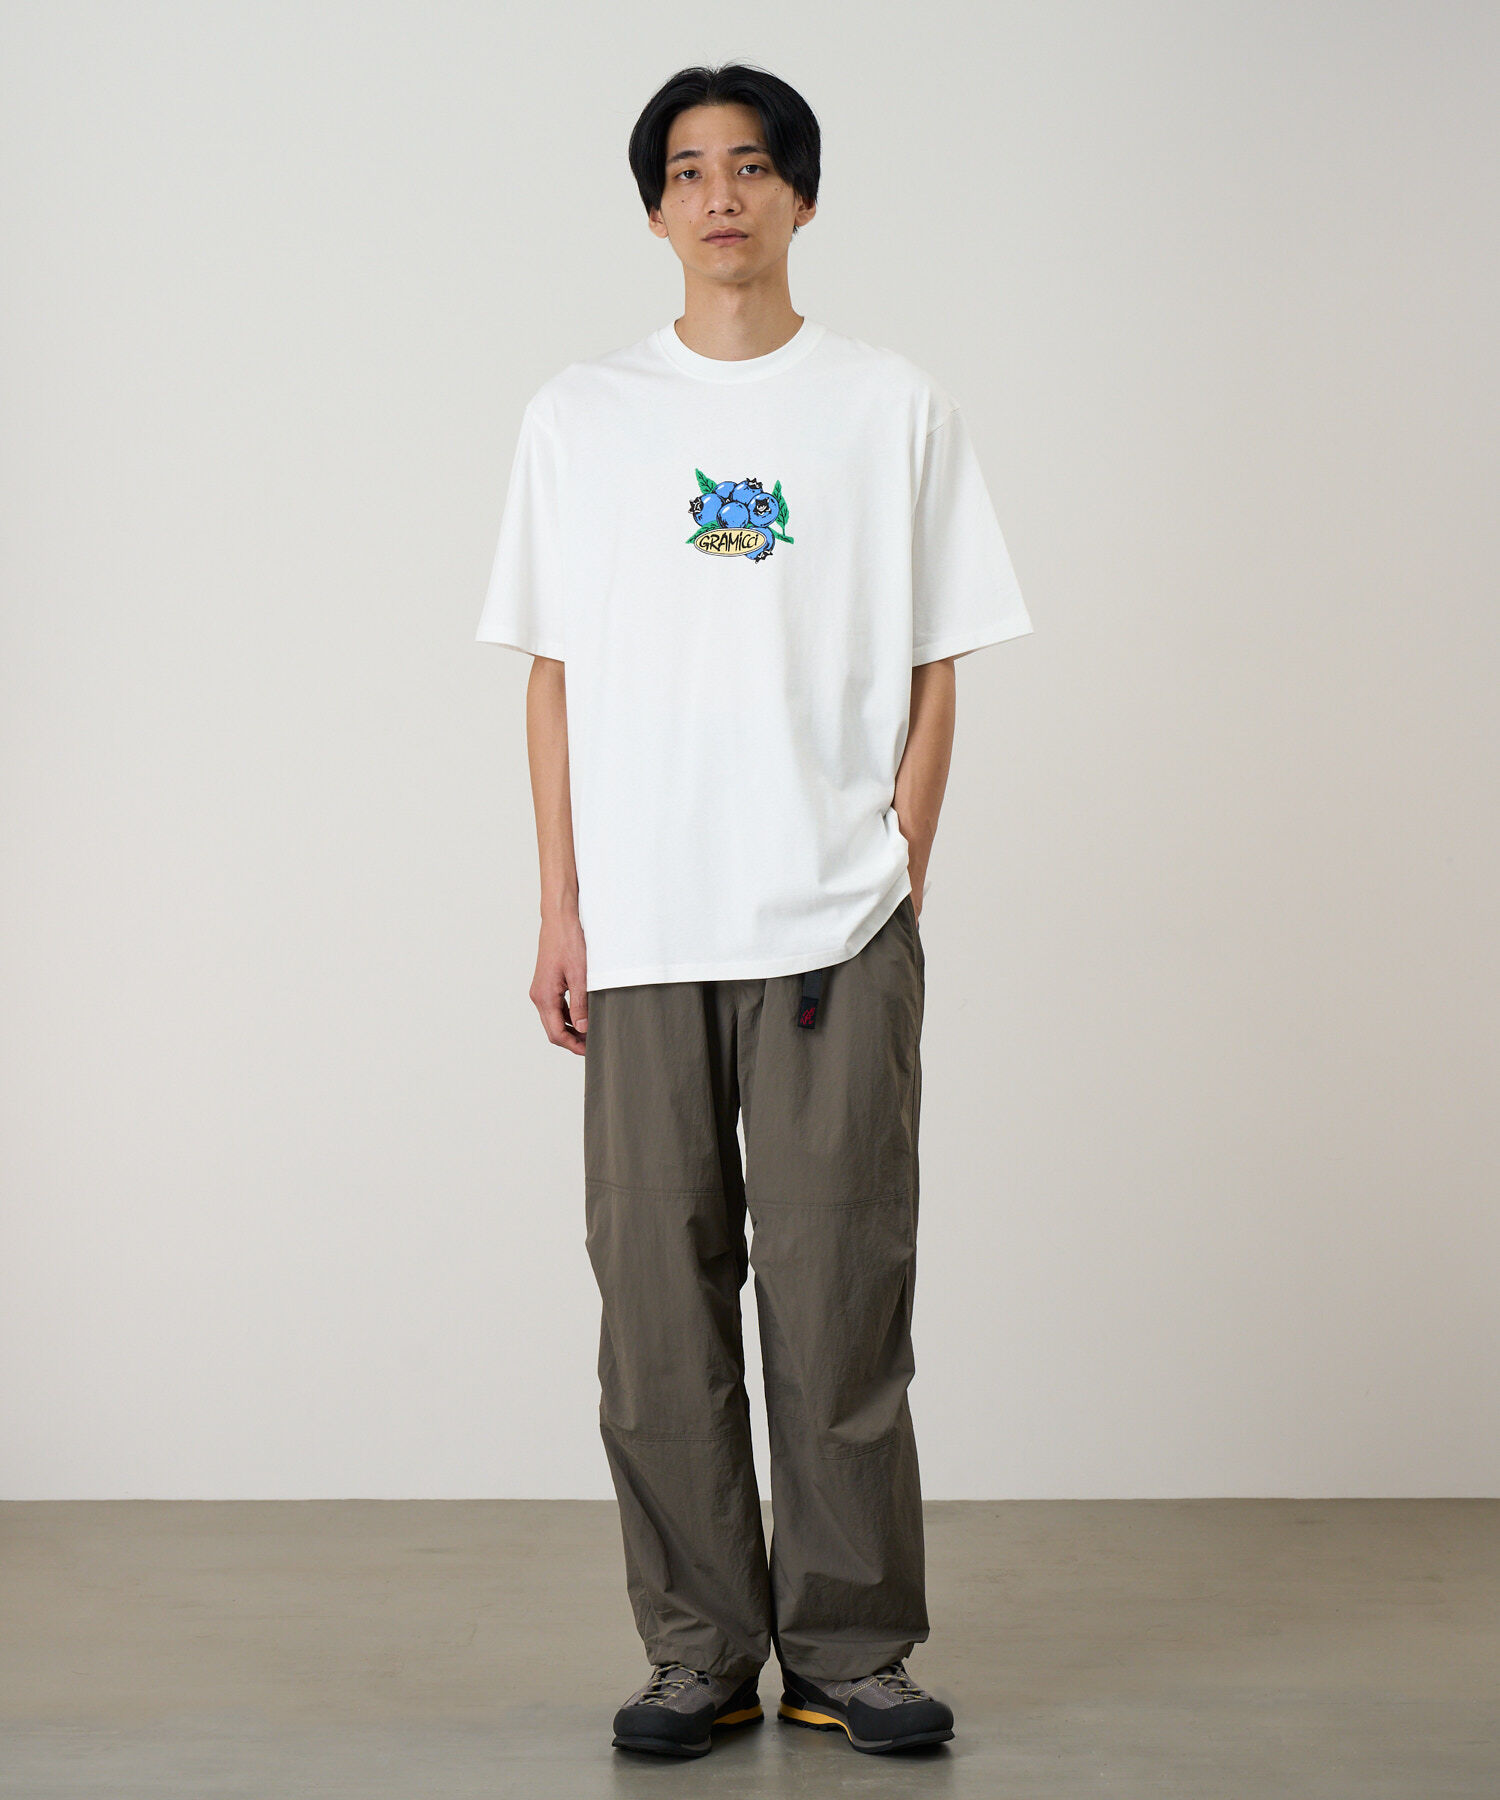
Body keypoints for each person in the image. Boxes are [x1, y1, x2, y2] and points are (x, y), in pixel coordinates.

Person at [476, 63, 1033, 1759]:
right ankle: (700, 1651)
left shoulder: (888, 404)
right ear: (655, 209)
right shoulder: (582, 414)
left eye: (751, 165)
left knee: (842, 1291)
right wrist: (559, 904)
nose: (720, 194)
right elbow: (553, 674)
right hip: (645, 924)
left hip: (833, 927)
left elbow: (939, 656)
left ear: (801, 194)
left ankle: (851, 1650)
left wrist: (902, 856)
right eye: (688, 170)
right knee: (657, 1304)